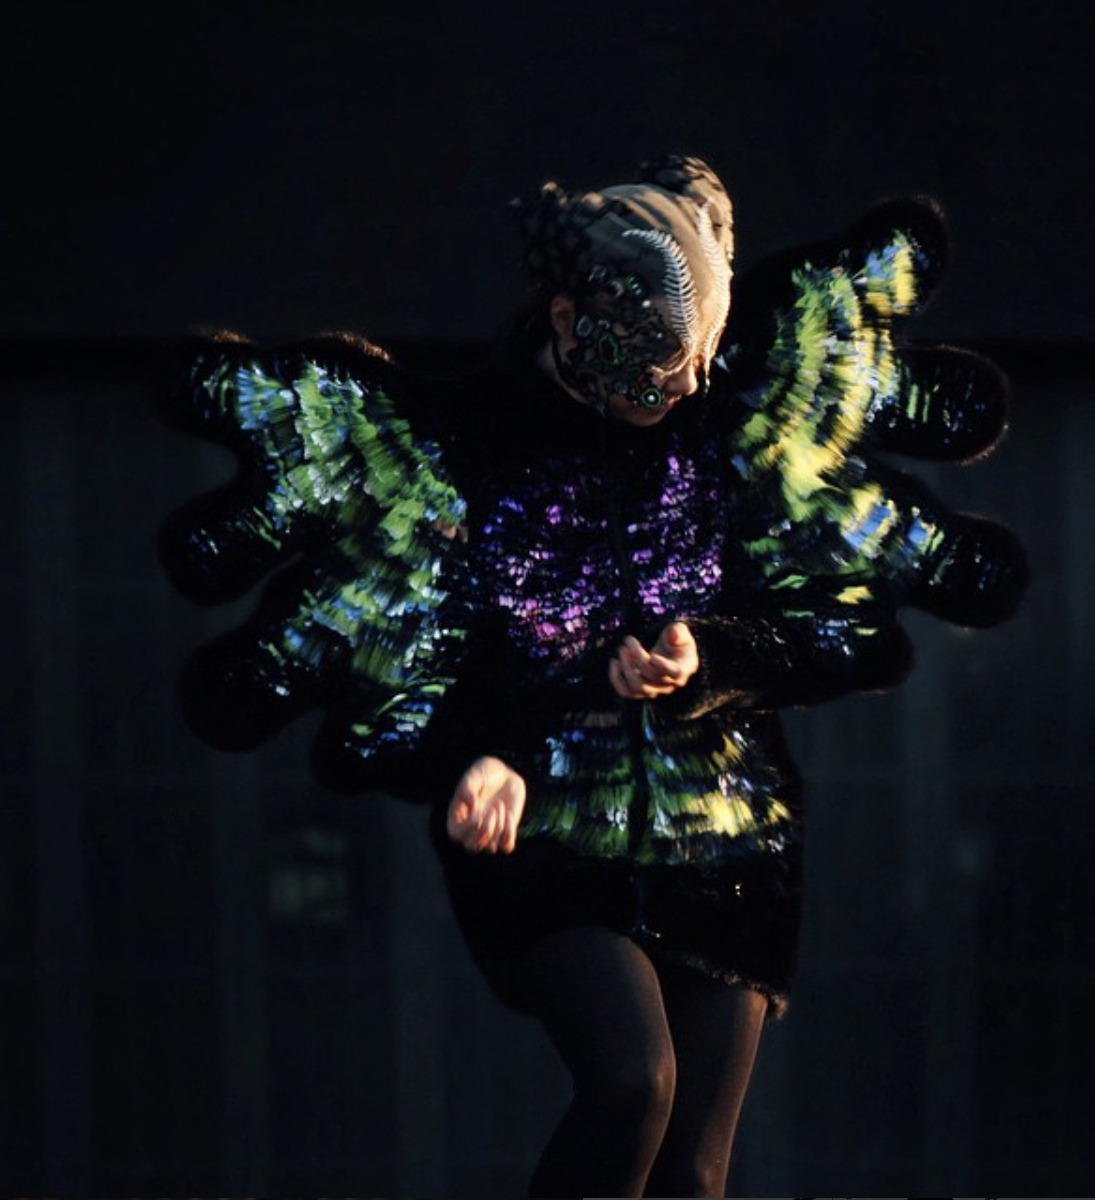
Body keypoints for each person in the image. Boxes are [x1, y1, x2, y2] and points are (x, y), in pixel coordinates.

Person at [158, 153, 1028, 1197]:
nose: (684, 387)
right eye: (660, 363)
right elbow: (436, 659)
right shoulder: (473, 451)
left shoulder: (721, 434)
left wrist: (707, 659)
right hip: (552, 833)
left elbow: (820, 632)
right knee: (631, 1085)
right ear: (570, 321)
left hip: (724, 832)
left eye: (698, 360)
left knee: (693, 1169)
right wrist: (476, 754)